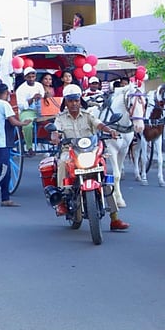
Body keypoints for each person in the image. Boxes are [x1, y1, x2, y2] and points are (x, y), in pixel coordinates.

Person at [51, 84, 129, 231]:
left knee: (106, 180)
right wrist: (55, 136)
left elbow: (99, 124)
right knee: (61, 162)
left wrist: (110, 130)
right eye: (71, 100)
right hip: (70, 151)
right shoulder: (60, 118)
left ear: (80, 101)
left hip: (90, 151)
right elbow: (56, 130)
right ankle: (62, 199)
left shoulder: (87, 115)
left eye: (76, 100)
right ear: (65, 103)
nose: (74, 103)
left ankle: (115, 219)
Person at [0, 83, 29, 208]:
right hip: (2, 142)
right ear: (7, 92)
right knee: (3, 172)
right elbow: (12, 121)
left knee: (6, 172)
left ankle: (5, 198)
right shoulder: (5, 104)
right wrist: (23, 124)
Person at [15, 67, 44, 155]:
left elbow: (42, 96)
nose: (31, 79)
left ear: (35, 77)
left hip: (41, 109)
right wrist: (32, 99)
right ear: (25, 77)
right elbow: (21, 106)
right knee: (27, 125)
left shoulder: (39, 85)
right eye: (29, 77)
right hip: (27, 111)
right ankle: (29, 147)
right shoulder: (21, 89)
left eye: (33, 76)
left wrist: (42, 96)